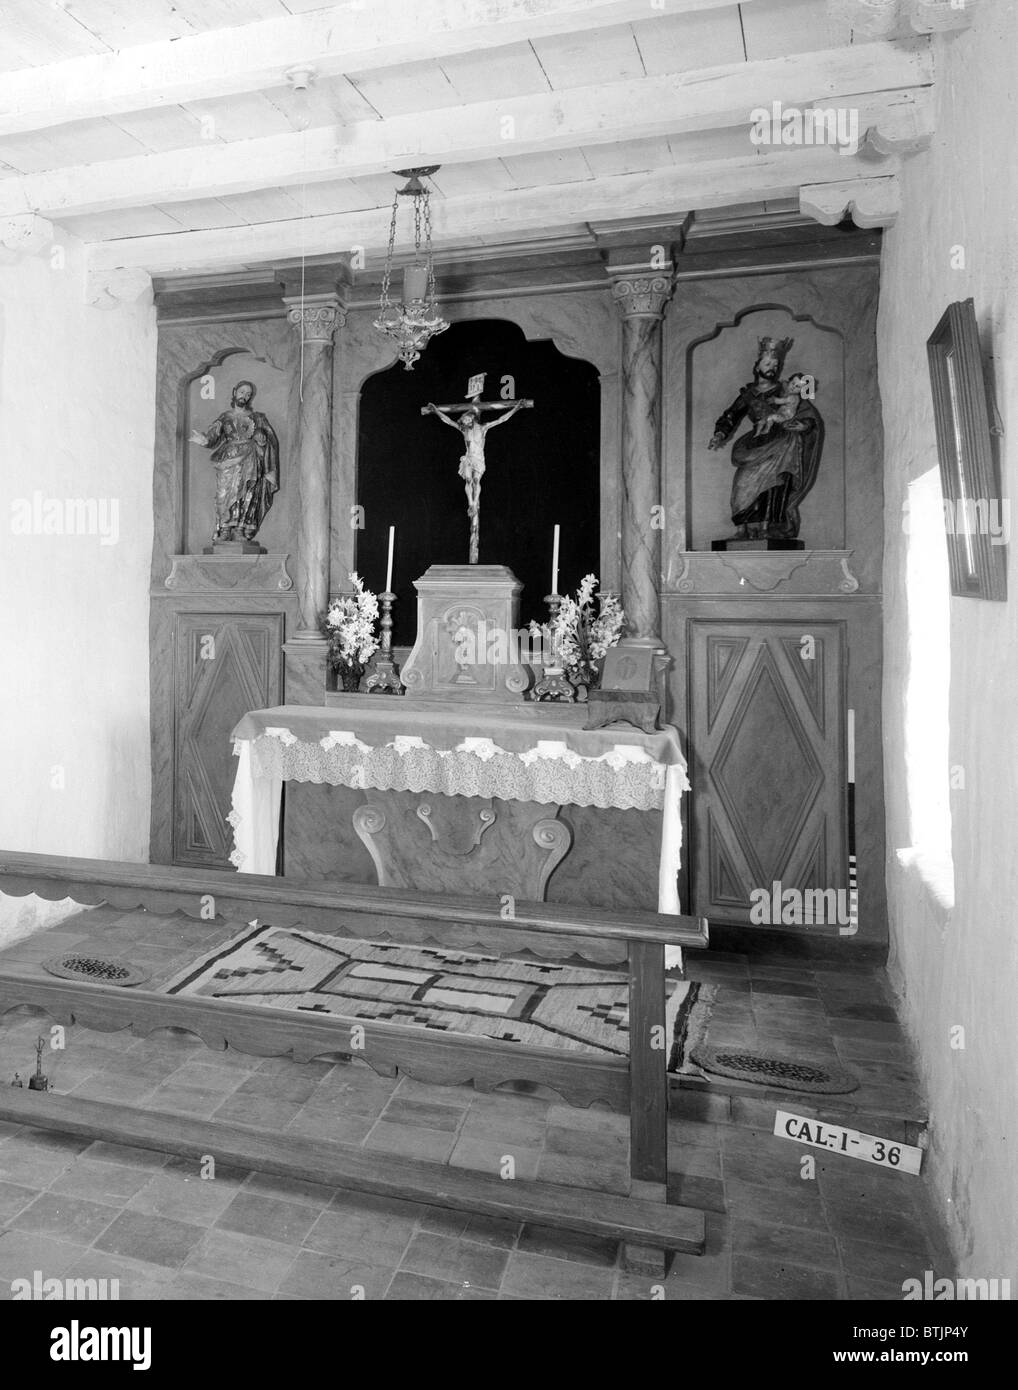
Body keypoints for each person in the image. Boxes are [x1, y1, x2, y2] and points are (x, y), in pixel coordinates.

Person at [189, 380, 280, 545]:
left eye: (248, 394)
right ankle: (224, 528)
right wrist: (204, 440)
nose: (244, 396)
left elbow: (269, 440)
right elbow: (213, 435)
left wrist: (262, 440)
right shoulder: (225, 417)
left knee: (247, 493)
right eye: (242, 392)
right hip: (229, 459)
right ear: (234, 392)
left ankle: (240, 529)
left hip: (250, 458)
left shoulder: (257, 418)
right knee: (224, 493)